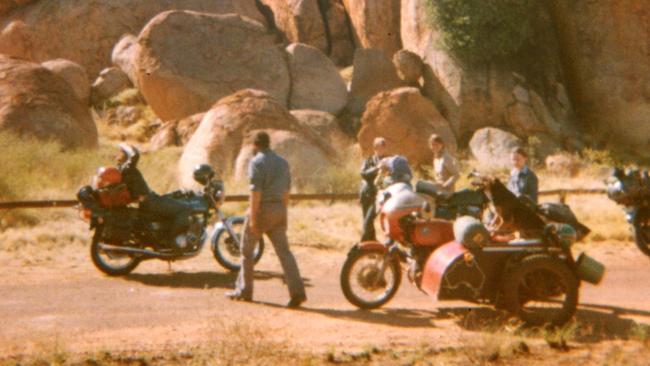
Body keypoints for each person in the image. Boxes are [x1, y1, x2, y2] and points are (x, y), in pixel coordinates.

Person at [226, 131, 307, 308]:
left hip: (262, 209)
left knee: (247, 252)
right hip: (279, 208)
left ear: (255, 145)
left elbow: (255, 193)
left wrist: (253, 218)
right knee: (285, 253)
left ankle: (244, 291)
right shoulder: (282, 163)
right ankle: (297, 292)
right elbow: (287, 191)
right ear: (268, 144)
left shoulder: (256, 162)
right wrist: (283, 212)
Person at [116, 143, 192, 250]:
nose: (118, 155)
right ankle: (171, 240)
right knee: (185, 209)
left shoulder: (122, 170)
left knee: (171, 200)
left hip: (148, 201)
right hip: (151, 202)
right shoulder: (130, 170)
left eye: (121, 153)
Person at [359, 137, 388, 242]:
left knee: (368, 220)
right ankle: (372, 243)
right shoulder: (368, 160)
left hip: (378, 195)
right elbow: (363, 174)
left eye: (382, 148)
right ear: (374, 148)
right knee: (367, 220)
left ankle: (362, 245)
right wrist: (376, 168)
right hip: (365, 193)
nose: (380, 150)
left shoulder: (388, 162)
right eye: (378, 148)